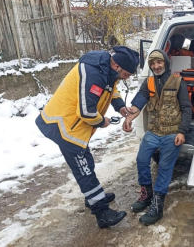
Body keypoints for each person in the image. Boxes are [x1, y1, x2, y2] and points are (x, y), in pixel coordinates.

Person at [35, 46, 139, 228]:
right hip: (63, 125)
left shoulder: (107, 69)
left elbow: (111, 90)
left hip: (74, 126)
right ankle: (102, 212)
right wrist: (102, 121)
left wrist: (120, 106)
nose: (126, 78)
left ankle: (92, 196)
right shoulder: (93, 73)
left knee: (86, 162)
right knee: (84, 170)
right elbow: (86, 112)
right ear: (116, 66)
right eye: (126, 74)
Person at [123, 49, 192, 225]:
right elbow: (139, 100)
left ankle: (157, 205)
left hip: (172, 133)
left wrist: (182, 131)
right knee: (141, 160)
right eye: (152, 63)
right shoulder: (149, 82)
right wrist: (129, 117)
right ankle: (146, 195)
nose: (156, 66)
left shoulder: (178, 82)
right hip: (153, 131)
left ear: (166, 63)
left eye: (159, 62)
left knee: (164, 168)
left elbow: (186, 108)